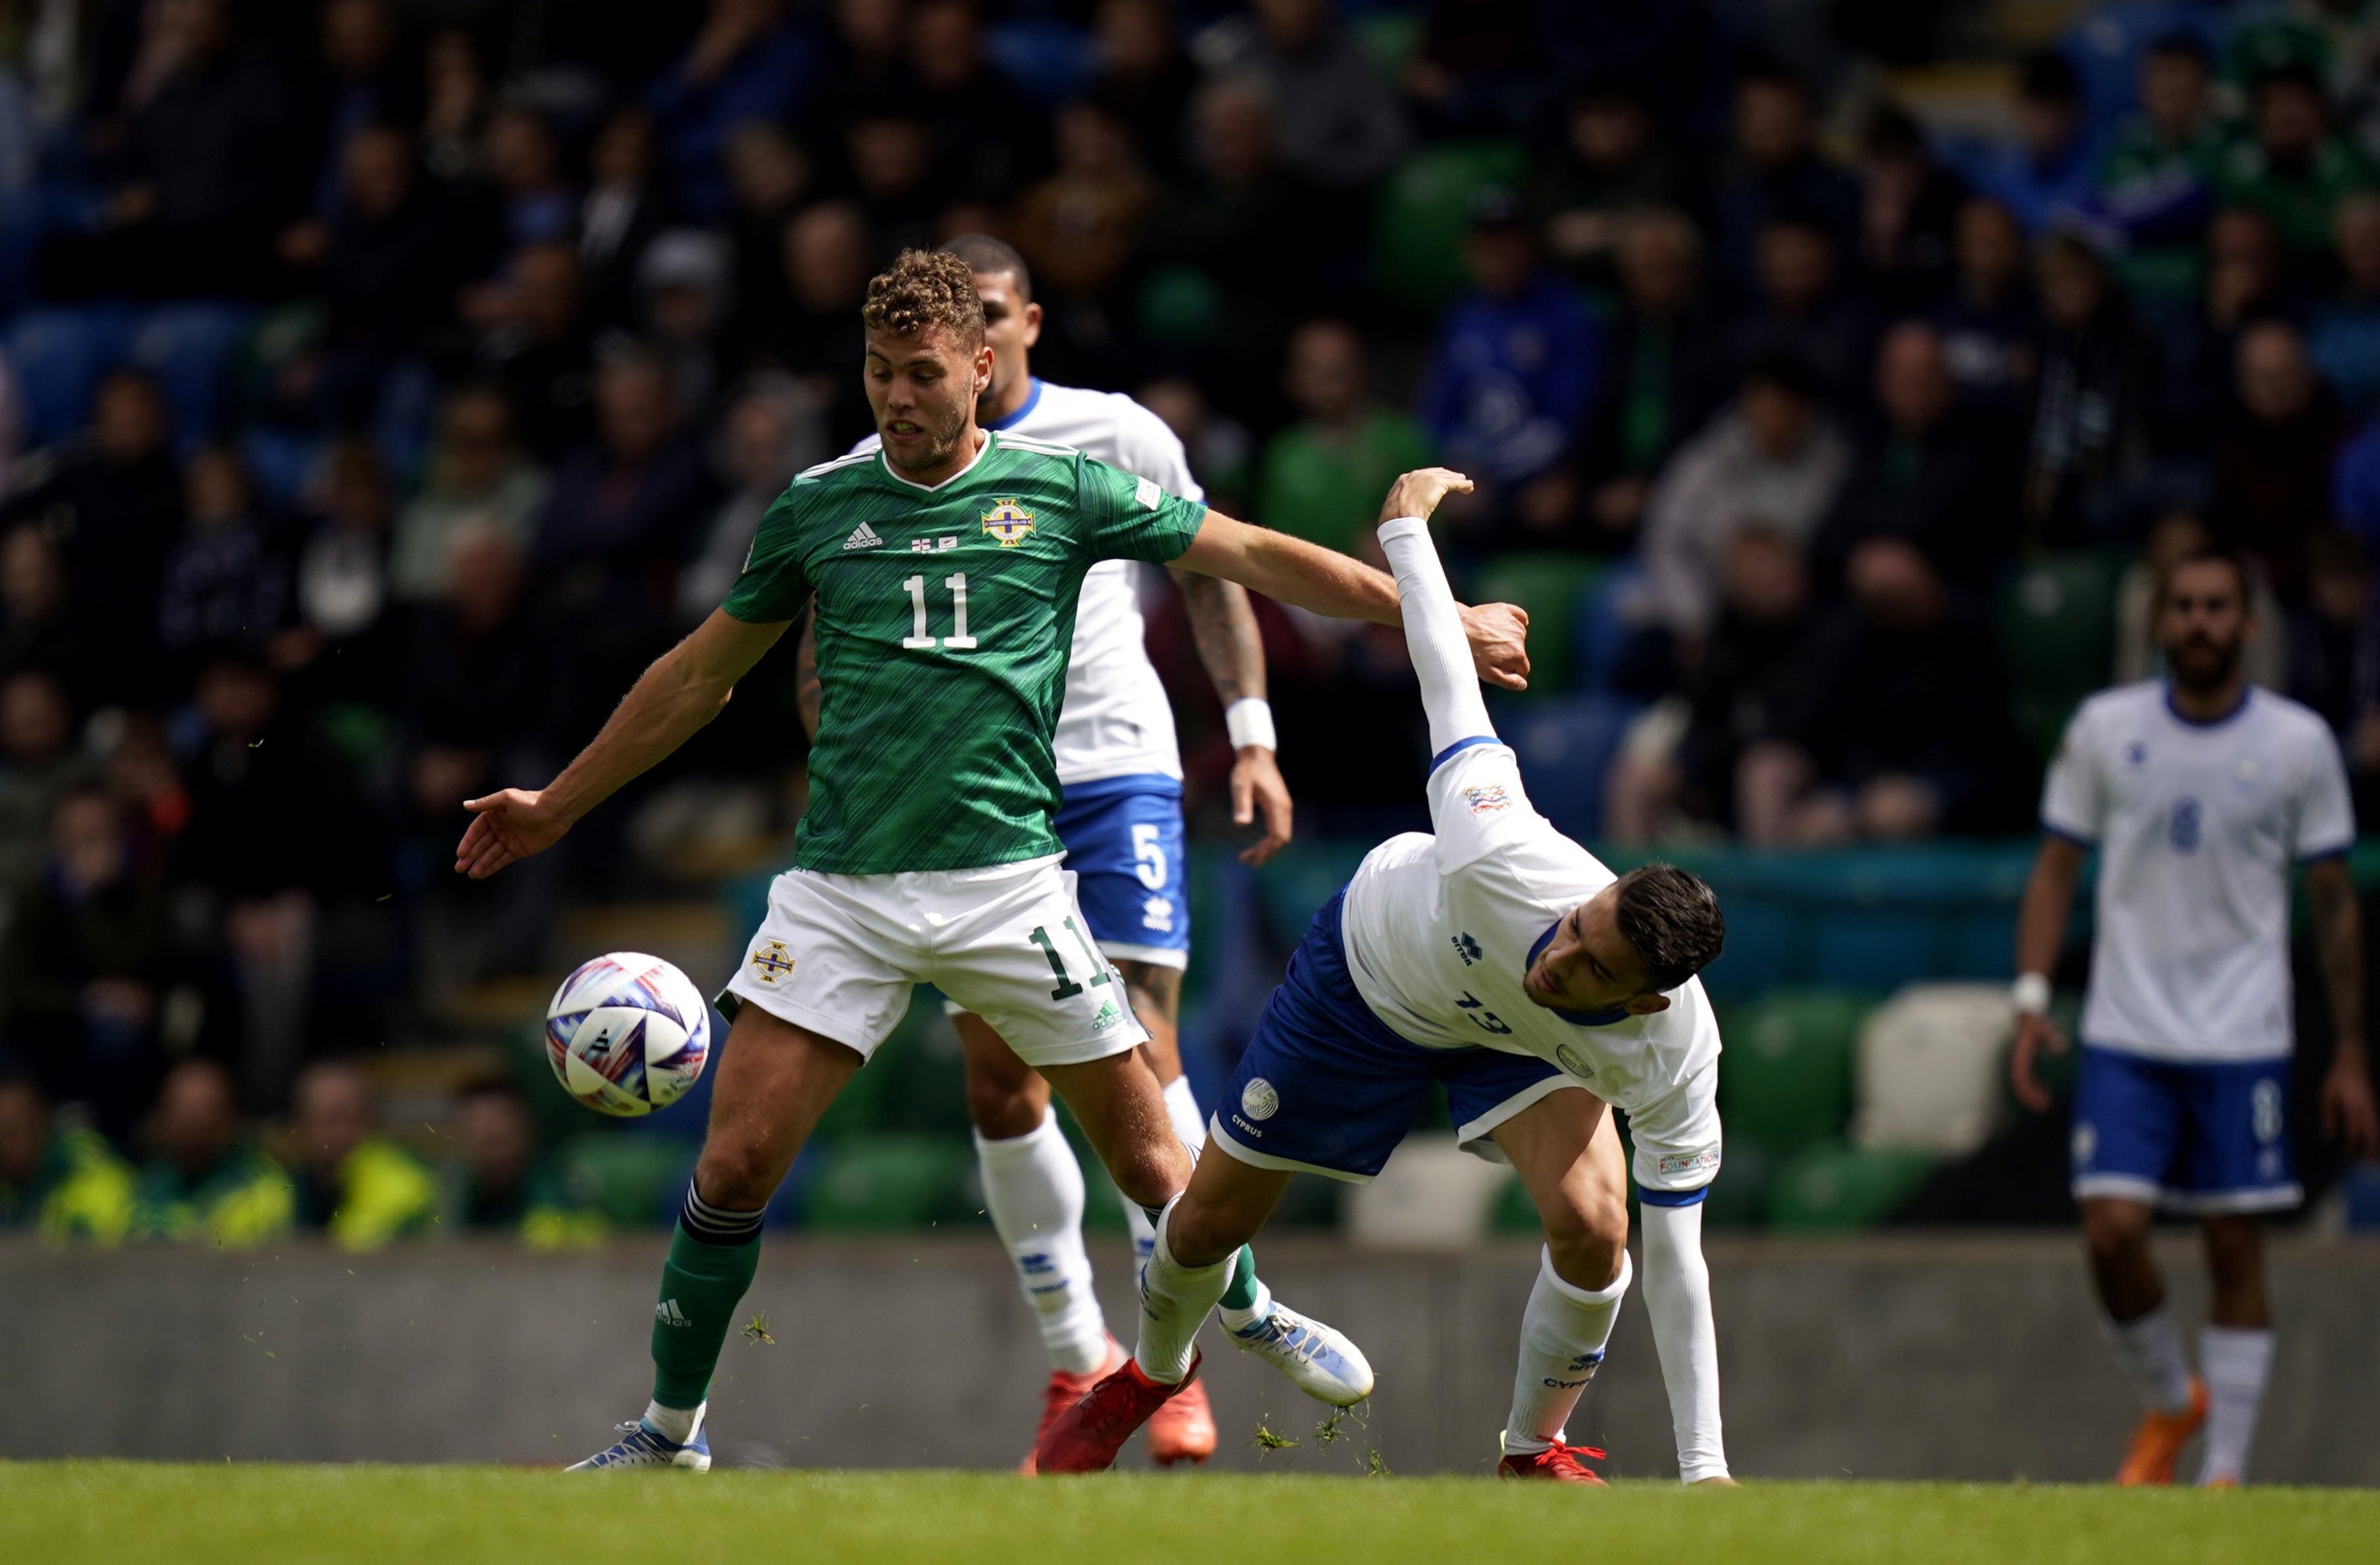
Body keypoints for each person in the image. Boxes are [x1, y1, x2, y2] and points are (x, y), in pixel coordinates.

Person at [451, 249, 1530, 1472]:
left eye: (920, 374)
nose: (895, 399)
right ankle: (667, 1435)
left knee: (1156, 1165)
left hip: (1009, 889)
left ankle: (1242, 1305)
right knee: (734, 1163)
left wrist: (1429, 613)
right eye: (875, 374)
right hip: (840, 893)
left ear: (981, 364)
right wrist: (556, 805)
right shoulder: (816, 505)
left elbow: (1252, 558)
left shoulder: (1067, 488)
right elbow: (697, 678)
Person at [1034, 468, 1730, 1484]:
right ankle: (1150, 1374)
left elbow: (1680, 1265)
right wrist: (1403, 532)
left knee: (1594, 1230)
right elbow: (1446, 678)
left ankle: (1530, 1450)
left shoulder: (1674, 1057)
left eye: (1592, 969)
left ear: (1644, 1003)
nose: (1559, 954)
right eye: (1578, 925)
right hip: (1371, 973)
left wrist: (1705, 1469)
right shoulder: (1501, 850)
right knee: (1210, 1221)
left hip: (1511, 1042)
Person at [808, 233, 1299, 1469]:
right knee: (1001, 1082)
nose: (963, 340)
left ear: (1023, 321)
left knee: (1141, 1041)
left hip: (1112, 761)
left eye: (986, 312)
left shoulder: (1116, 435)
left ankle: (1168, 1366)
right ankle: (1074, 1357)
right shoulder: (883, 463)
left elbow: (1207, 577)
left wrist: (1248, 736)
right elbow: (829, 645)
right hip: (973, 785)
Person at [2010, 544, 2380, 1487]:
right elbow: (2055, 868)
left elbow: (2333, 902)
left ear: (2248, 626)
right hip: (2126, 1032)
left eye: (2218, 607)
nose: (2200, 623)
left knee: (2231, 1244)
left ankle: (2222, 1478)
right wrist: (2027, 996)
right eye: (2183, 606)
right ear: (2158, 622)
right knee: (2109, 1229)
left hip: (2243, 1038)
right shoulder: (2103, 729)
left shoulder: (2298, 746)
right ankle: (2173, 1401)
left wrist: (2350, 1056)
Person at [131, 1057, 295, 1248]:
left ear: (231, 1116)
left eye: (205, 1109)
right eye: (181, 1109)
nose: (192, 1121)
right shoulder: (142, 1185)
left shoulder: (267, 1188)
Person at [287, 1058, 438, 1252]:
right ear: (300, 1124)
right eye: (329, 1120)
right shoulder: (276, 1187)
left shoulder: (407, 1189)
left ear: (372, 1122)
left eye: (350, 1118)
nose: (340, 1133)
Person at [0, 1070, 135, 1243]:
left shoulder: (91, 1183)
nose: (4, 1141)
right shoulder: (8, 1183)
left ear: (42, 1125)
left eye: (12, 1129)